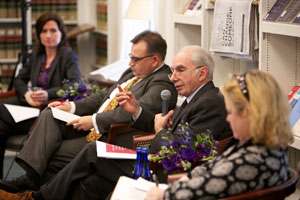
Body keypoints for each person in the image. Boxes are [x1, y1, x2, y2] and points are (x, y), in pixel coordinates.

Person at [0, 45, 232, 200]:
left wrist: (160, 130)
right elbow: (162, 127)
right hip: (152, 159)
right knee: (91, 182)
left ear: (202, 73)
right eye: (173, 71)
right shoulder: (197, 98)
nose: (173, 77)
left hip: (160, 170)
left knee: (94, 151)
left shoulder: (209, 103)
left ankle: (35, 198)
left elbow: (182, 153)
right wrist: (136, 111)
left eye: (180, 71)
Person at [0, 30, 177, 192]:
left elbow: (133, 113)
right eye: (130, 56)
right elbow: (103, 98)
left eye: (136, 59)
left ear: (154, 60)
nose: (130, 63)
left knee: (52, 151)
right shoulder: (132, 73)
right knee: (50, 113)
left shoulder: (162, 82)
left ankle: (34, 189)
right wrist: (71, 107)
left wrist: (93, 120)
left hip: (109, 136)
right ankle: (30, 179)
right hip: (93, 127)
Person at [145, 69, 294, 199]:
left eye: (230, 112)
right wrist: (188, 178)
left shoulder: (251, 160)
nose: (227, 119)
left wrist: (162, 194)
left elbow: (205, 188)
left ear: (249, 115)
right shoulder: (267, 147)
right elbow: (214, 170)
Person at [0, 12, 81, 179]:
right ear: (39, 34)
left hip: (47, 114)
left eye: (53, 30)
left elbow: (75, 84)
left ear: (61, 32)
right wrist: (27, 94)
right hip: (28, 110)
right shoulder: (37, 56)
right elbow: (19, 80)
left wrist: (48, 94)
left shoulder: (68, 56)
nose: (48, 35)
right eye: (44, 31)